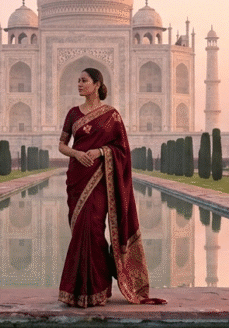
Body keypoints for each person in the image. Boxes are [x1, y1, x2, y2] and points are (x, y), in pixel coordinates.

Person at [57, 67, 166, 307]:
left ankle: (97, 289)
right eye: (78, 80)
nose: (79, 84)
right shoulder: (73, 114)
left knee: (94, 230)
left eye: (84, 80)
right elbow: (62, 145)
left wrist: (100, 152)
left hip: (100, 179)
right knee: (79, 232)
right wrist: (77, 153)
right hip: (78, 177)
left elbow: (122, 150)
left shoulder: (112, 115)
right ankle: (76, 291)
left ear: (97, 84)